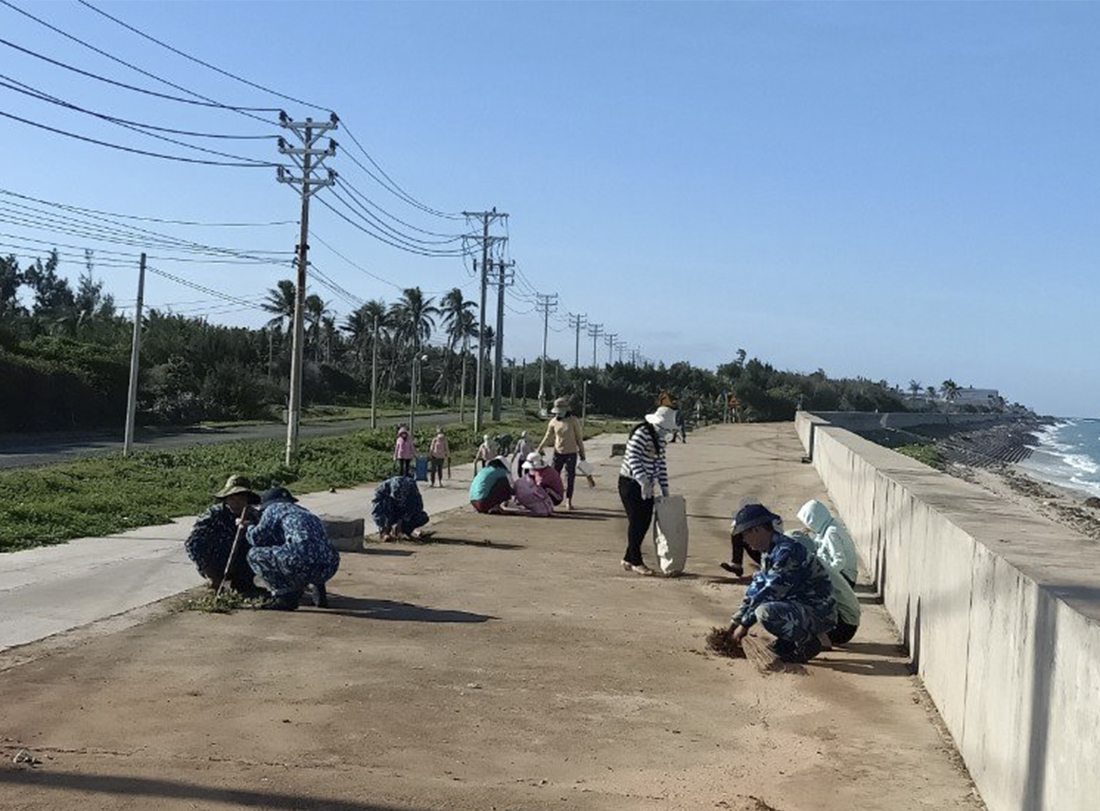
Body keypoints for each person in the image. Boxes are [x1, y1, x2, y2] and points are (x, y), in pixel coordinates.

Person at [726, 504, 837, 663]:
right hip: (800, 606)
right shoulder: (770, 552)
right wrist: (734, 623)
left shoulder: (786, 552)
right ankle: (787, 643)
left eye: (745, 534)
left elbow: (771, 591)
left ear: (757, 530)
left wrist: (744, 626)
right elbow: (756, 590)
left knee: (765, 612)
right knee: (764, 606)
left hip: (819, 612)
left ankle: (808, 642)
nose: (744, 540)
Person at [244, 487, 340, 611]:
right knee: (310, 551)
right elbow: (314, 544)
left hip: (301, 562)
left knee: (254, 554)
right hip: (329, 564)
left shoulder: (273, 509)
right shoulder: (305, 512)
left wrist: (248, 526)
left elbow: (256, 538)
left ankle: (284, 596)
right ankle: (319, 589)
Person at [617, 404, 675, 576]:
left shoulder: (660, 439)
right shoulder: (642, 433)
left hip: (647, 483)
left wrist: (665, 488)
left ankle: (628, 558)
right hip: (630, 482)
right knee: (636, 521)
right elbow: (632, 456)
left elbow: (660, 464)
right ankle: (636, 561)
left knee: (645, 521)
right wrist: (642, 480)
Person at [185, 474, 262, 594]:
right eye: (232, 499)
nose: (236, 503)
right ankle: (215, 580)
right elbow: (193, 543)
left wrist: (251, 528)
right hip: (217, 560)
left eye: (241, 499)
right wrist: (208, 570)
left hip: (243, 562)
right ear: (226, 499)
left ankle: (244, 582)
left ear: (247, 500)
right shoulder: (213, 515)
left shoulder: (254, 515)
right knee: (199, 543)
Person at [538, 397, 586, 510]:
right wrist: (540, 447)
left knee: (570, 477)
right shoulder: (553, 422)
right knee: (553, 476)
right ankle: (552, 498)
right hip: (558, 452)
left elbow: (579, 438)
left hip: (571, 452)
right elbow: (548, 436)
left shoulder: (573, 420)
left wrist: (582, 453)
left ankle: (569, 500)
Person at [797, 499, 858, 587]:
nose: (808, 527)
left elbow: (840, 561)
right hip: (839, 574)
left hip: (845, 578)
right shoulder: (826, 527)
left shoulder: (831, 533)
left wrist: (823, 575)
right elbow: (819, 547)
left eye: (808, 524)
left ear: (814, 520)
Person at [372, 475, 430, 541]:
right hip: (389, 511)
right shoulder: (382, 491)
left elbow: (417, 507)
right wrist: (385, 526)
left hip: (405, 513)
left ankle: (406, 530)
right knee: (383, 505)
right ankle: (385, 532)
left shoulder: (412, 490)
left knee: (422, 517)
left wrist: (402, 521)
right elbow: (377, 511)